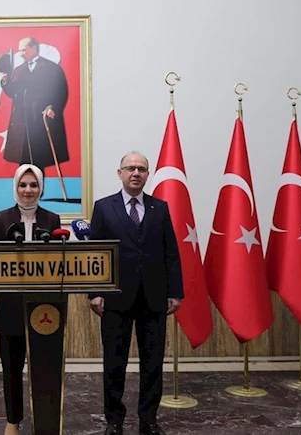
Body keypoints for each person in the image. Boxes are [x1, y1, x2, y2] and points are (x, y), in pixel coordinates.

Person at [88, 151, 183, 435]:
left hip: (154, 298)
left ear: (147, 174)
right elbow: (95, 253)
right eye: (130, 168)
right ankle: (114, 421)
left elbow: (171, 253)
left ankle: (148, 420)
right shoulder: (104, 207)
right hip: (115, 297)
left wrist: (175, 291)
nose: (136, 173)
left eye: (141, 169)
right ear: (120, 173)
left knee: (152, 364)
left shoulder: (160, 208)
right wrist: (94, 292)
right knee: (114, 363)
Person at [0, 163, 62, 435]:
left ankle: (43, 420)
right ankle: (13, 420)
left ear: (41, 188)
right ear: (15, 187)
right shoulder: (2, 219)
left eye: (33, 185)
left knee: (43, 369)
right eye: (23, 185)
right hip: (10, 307)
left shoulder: (52, 220)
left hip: (44, 308)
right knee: (11, 368)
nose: (28, 190)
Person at [0, 37, 69, 172]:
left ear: (34, 48)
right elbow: (14, 93)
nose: (20, 54)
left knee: (40, 158)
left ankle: (39, 184)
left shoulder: (52, 68)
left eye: (23, 50)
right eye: (19, 51)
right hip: (22, 122)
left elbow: (61, 90)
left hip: (41, 119)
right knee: (24, 159)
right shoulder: (18, 70)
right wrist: (5, 83)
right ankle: (24, 184)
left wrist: (53, 108)